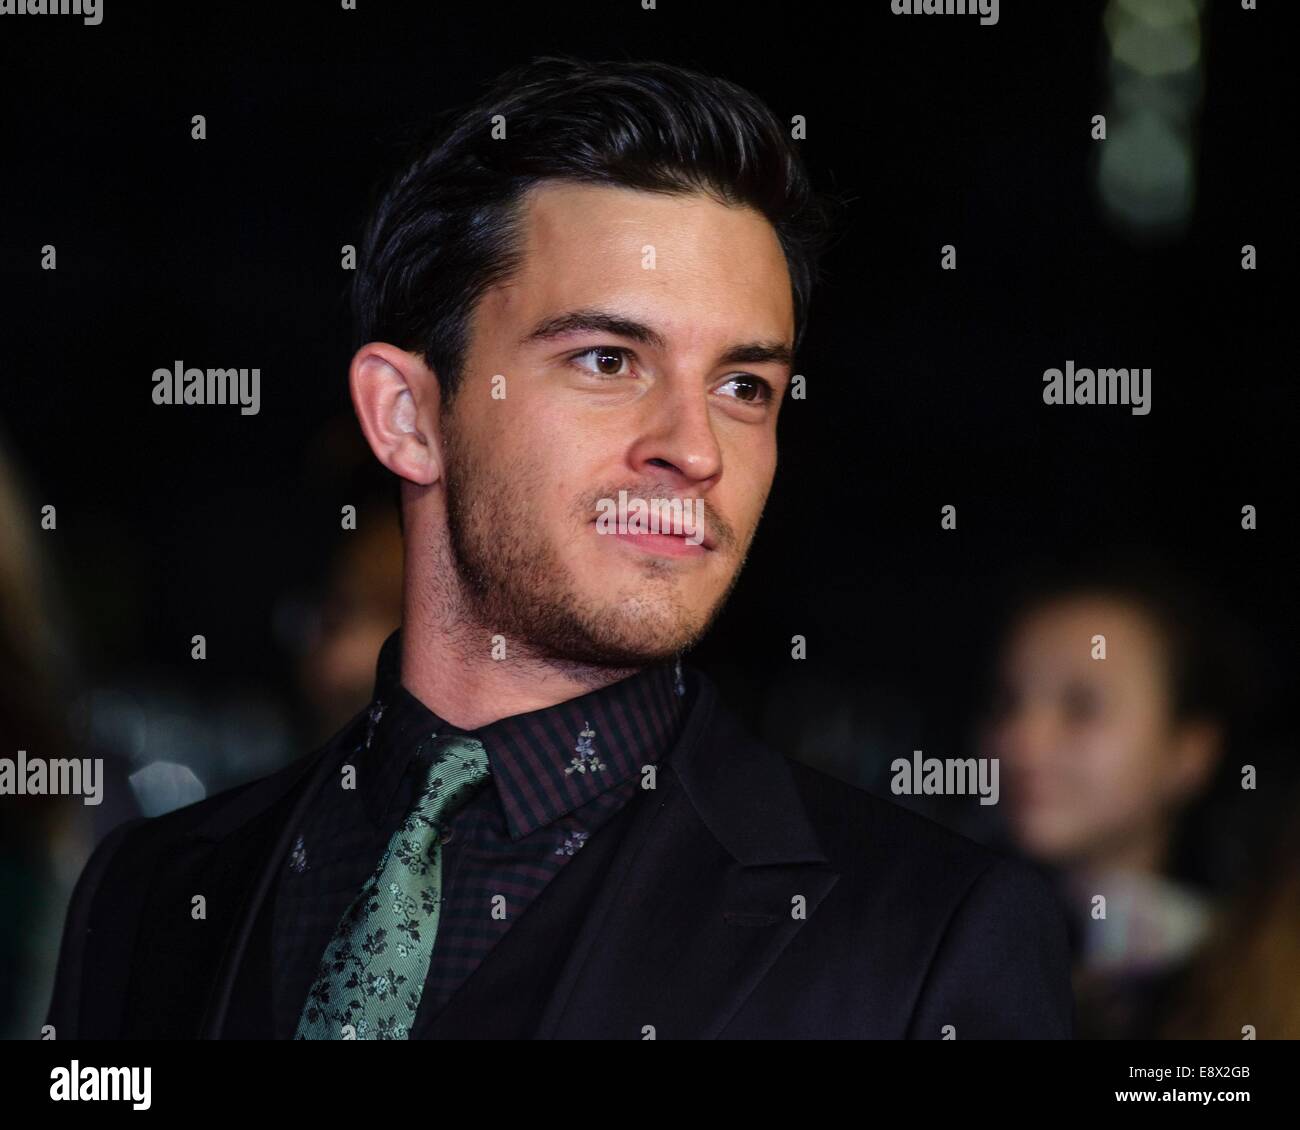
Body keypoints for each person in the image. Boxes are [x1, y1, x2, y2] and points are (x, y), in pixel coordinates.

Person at [45, 55, 1071, 1040]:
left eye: (742, 385)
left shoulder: (926, 936)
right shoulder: (153, 892)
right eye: (608, 358)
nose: (692, 447)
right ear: (407, 414)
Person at [978, 554, 1248, 1038]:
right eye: (1008, 702)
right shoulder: (950, 929)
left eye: (1082, 707)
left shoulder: (1246, 974)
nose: (1019, 741)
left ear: (1190, 751)